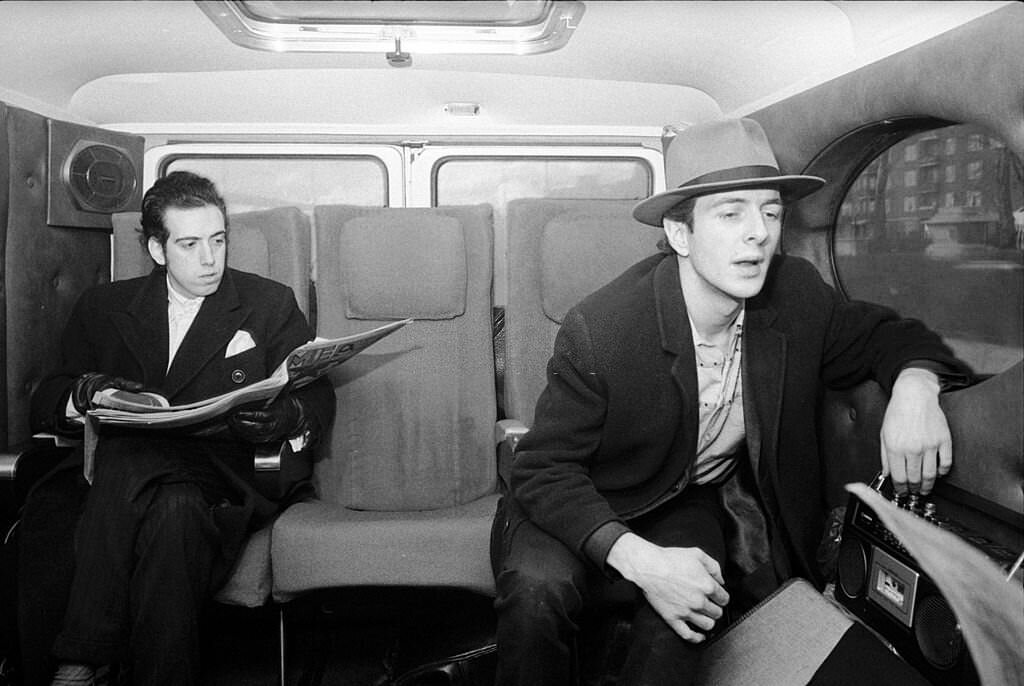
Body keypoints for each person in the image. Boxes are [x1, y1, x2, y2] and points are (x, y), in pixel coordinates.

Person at [490, 118, 971, 686]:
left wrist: (917, 387)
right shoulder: (603, 327)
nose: (759, 233)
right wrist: (639, 560)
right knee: (538, 595)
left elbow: (893, 337)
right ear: (680, 235)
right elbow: (543, 470)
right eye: (731, 212)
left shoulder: (794, 296)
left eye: (770, 211)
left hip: (681, 503)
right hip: (577, 499)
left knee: (685, 620)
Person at [19, 171, 335, 686]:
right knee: (174, 513)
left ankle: (82, 653)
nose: (210, 259)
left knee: (133, 457)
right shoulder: (104, 308)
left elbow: (316, 395)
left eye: (218, 240)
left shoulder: (267, 303)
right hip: (147, 492)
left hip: (225, 471)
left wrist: (286, 416)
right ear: (158, 250)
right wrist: (87, 392)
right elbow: (48, 397)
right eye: (190, 244)